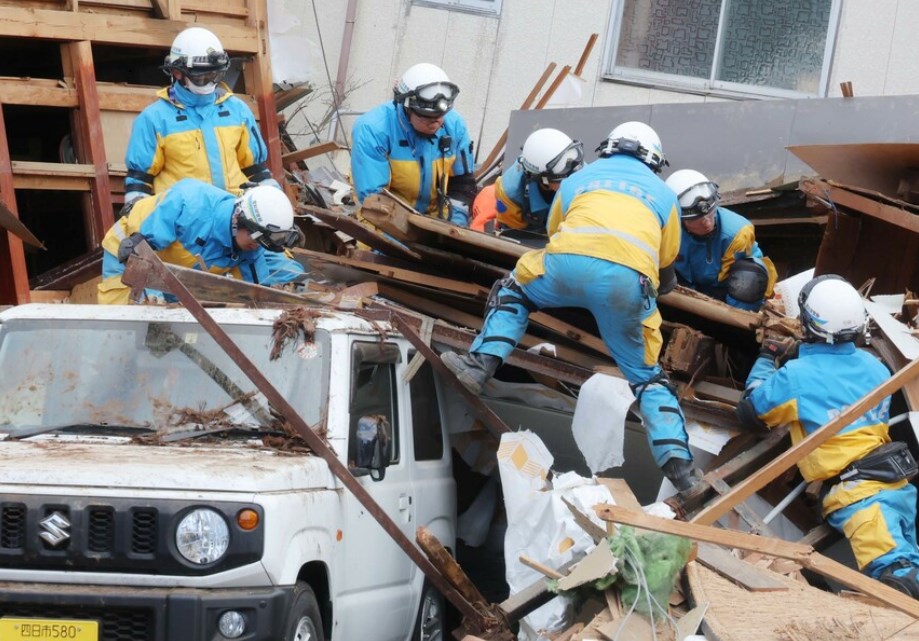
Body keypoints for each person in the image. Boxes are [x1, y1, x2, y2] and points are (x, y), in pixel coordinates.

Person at [440, 121, 702, 491]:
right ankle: (682, 471)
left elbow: (554, 228)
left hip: (565, 267)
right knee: (648, 379)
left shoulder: (582, 178)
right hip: (627, 284)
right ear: (655, 159)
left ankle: (480, 364)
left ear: (607, 148)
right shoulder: (663, 195)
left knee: (513, 291)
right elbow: (667, 257)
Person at [737, 275, 919, 597]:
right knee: (908, 561)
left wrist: (767, 358)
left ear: (809, 322)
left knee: (898, 579)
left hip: (858, 498)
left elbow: (752, 412)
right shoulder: (876, 367)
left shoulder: (796, 378)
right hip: (896, 486)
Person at [122, 26, 279, 214]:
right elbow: (139, 181)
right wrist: (138, 216)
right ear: (177, 73)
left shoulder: (237, 110)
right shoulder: (154, 118)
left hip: (233, 217)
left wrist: (275, 203)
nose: (210, 82)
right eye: (201, 76)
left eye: (214, 75)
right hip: (183, 221)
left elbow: (257, 170)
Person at [97, 179, 305, 305]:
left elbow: (257, 292)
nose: (256, 247)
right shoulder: (189, 205)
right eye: (256, 240)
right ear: (240, 220)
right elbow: (142, 256)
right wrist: (152, 304)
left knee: (171, 336)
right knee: (132, 323)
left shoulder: (251, 242)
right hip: (129, 252)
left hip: (174, 271)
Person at [350, 62, 477, 227]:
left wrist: (455, 227)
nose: (436, 123)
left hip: (436, 224)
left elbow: (462, 184)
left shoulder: (455, 126)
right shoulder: (373, 130)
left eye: (440, 116)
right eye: (427, 117)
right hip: (383, 224)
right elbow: (375, 201)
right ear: (407, 107)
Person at [664, 169, 777, 311]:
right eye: (696, 219)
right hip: (685, 284)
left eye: (710, 213)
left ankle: (737, 322)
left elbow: (742, 280)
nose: (706, 222)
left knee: (750, 277)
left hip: (723, 287)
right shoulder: (667, 229)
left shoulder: (737, 233)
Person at [494, 127, 583, 234]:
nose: (573, 180)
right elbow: (514, 237)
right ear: (544, 180)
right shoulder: (510, 194)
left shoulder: (576, 167)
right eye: (563, 179)